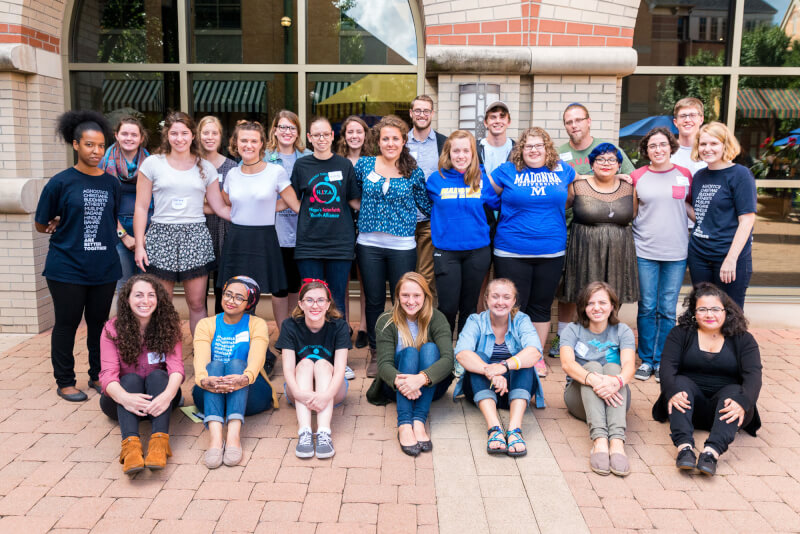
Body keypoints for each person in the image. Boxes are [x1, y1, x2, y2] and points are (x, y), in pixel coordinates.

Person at [35, 110, 121, 402]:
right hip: (67, 268)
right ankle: (65, 381)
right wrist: (60, 224)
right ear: (75, 145)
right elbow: (41, 222)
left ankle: (98, 376)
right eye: (89, 145)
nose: (96, 151)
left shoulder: (112, 183)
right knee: (67, 324)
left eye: (100, 146)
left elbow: (112, 220)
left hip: (104, 267)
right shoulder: (60, 182)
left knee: (99, 325)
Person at [487, 127, 576, 377]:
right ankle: (513, 356)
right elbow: (485, 194)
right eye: (529, 146)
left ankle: (535, 356)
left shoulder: (563, 170)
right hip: (511, 250)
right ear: (521, 150)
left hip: (551, 250)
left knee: (541, 306)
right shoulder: (508, 171)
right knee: (514, 305)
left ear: (547, 149)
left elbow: (575, 193)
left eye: (539, 146)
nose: (534, 150)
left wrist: (624, 178)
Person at [134, 112, 230, 336]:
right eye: (174, 133)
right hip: (161, 234)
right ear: (166, 135)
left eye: (184, 133)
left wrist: (254, 214)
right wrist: (140, 244)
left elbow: (220, 207)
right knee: (161, 303)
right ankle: (161, 353)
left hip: (195, 235)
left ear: (192, 135)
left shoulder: (205, 167)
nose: (179, 138)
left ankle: (200, 352)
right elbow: (140, 207)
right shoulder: (152, 164)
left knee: (197, 304)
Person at [551, 103, 636, 357]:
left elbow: (631, 178)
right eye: (569, 121)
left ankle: (605, 339)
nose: (574, 125)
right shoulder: (559, 154)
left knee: (608, 288)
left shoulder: (609, 149)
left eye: (578, 120)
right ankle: (563, 337)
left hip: (609, 233)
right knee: (571, 289)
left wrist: (621, 177)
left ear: (589, 121)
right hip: (570, 230)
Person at [652, 282, 762, 476]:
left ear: (726, 311)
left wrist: (743, 403)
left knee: (736, 392)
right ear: (693, 312)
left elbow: (753, 376)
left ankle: (711, 453)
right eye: (702, 309)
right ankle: (684, 448)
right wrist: (671, 391)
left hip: (725, 410)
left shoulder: (743, 339)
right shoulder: (680, 334)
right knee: (679, 384)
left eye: (715, 309)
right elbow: (668, 368)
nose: (709, 314)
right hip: (688, 406)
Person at [355, 115, 432, 377]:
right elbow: (352, 195)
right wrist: (366, 213)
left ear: (403, 141)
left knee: (403, 299)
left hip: (402, 246)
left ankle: (404, 347)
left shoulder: (413, 171)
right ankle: (378, 353)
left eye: (395, 139)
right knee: (375, 300)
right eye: (385, 138)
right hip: (369, 244)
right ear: (378, 140)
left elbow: (427, 205)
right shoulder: (364, 165)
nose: (390, 143)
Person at [99, 274, 184, 474]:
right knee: (129, 379)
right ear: (127, 299)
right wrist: (125, 398)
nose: (145, 301)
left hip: (160, 401)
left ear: (158, 299)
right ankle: (130, 449)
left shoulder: (169, 326)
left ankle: (159, 445)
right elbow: (107, 375)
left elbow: (176, 367)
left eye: (151, 295)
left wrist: (167, 396)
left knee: (158, 376)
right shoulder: (112, 329)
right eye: (138, 295)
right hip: (121, 402)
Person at [193, 276, 279, 468]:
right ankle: (215, 439)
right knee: (213, 367)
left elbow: (257, 359)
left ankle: (233, 436)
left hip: (250, 393)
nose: (231, 300)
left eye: (239, 297)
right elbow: (200, 360)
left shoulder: (257, 324)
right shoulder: (206, 325)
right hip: (210, 391)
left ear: (250, 302)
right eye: (228, 294)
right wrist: (204, 379)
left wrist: (244, 378)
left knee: (237, 364)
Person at [366, 273, 454, 456]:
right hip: (396, 387)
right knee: (410, 352)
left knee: (430, 349)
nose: (411, 301)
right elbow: (384, 365)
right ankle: (405, 424)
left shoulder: (437, 318)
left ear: (425, 296)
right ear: (397, 296)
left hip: (431, 388)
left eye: (417, 295)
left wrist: (422, 379)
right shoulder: (386, 320)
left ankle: (419, 421)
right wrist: (406, 383)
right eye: (405, 295)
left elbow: (448, 360)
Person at [455, 278, 545, 457]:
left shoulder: (522, 320)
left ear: (513, 301)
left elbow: (535, 352)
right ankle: (494, 429)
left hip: (516, 388)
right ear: (486, 299)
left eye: (506, 297)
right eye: (495, 296)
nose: (500, 302)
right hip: (481, 388)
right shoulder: (476, 320)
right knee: (478, 357)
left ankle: (514, 430)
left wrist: (504, 366)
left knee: (523, 360)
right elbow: (461, 353)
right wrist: (491, 372)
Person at [631, 128, 692, 382]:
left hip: (676, 251)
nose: (658, 149)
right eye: (652, 145)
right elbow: (632, 212)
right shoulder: (637, 176)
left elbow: (689, 206)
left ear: (671, 146)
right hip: (644, 249)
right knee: (647, 307)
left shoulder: (685, 175)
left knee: (667, 309)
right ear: (646, 150)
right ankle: (646, 360)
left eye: (662, 144)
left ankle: (663, 359)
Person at [217, 120, 299, 310]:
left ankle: (258, 334)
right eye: (244, 140)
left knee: (257, 291)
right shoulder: (232, 174)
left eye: (254, 141)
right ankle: (241, 335)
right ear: (236, 143)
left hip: (264, 237)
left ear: (262, 143)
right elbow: (229, 202)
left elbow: (293, 203)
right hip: (237, 238)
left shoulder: (275, 172)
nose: (248, 145)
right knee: (238, 292)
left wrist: (270, 207)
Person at [288, 116, 360, 324]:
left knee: (336, 297)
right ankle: (312, 344)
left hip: (340, 242)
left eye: (325, 134)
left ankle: (338, 346)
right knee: (311, 297)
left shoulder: (344, 165)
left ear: (332, 136)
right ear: (309, 138)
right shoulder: (301, 165)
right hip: (309, 243)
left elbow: (353, 200)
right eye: (316, 135)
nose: (321, 139)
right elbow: (290, 198)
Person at [559, 282, 635, 477]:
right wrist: (593, 379)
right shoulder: (572, 330)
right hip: (579, 398)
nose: (597, 308)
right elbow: (567, 364)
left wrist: (615, 382)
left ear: (612, 306)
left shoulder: (622, 331)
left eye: (602, 302)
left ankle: (617, 442)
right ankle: (600, 440)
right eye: (591, 303)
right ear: (584, 307)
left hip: (615, 393)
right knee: (591, 367)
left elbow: (628, 367)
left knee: (613, 368)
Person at [426, 130, 493, 335]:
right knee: (447, 307)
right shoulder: (435, 180)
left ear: (473, 153)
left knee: (469, 308)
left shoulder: (482, 178)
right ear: (448, 152)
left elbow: (498, 204)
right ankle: (444, 354)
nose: (461, 155)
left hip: (477, 252)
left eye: (466, 150)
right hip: (446, 253)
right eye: (456, 150)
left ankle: (464, 355)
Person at [558, 143, 639, 307]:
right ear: (592, 164)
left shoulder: (630, 188)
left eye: (612, 160)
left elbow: (634, 214)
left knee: (615, 296)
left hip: (619, 252)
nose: (606, 163)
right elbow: (560, 208)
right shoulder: (577, 187)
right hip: (584, 251)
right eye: (600, 159)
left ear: (618, 165)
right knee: (584, 296)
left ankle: (611, 331)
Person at [687, 122, 757, 310]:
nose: (707, 149)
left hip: (728, 255)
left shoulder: (740, 174)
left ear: (725, 145)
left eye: (714, 144)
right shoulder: (700, 176)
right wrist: (679, 202)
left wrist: (731, 258)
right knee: (702, 310)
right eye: (703, 144)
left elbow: (747, 220)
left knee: (730, 313)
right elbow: (703, 217)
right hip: (699, 255)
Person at [278, 279, 350, 459]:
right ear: (301, 304)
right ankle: (305, 433)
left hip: (332, 391)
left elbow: (340, 369)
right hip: (298, 391)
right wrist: (298, 393)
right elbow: (288, 369)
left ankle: (324, 432)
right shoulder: (289, 325)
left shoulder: (339, 326)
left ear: (328, 304)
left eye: (320, 300)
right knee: (305, 363)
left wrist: (326, 395)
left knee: (323, 364)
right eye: (309, 300)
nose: (315, 305)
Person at [265, 111, 311, 332]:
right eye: (282, 127)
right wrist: (289, 203)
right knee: (279, 287)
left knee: (295, 284)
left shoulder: (308, 156)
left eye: (291, 128)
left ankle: (292, 329)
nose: (287, 132)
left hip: (303, 230)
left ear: (298, 132)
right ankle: (283, 331)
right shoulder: (263, 157)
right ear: (274, 130)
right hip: (274, 230)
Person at [99, 116, 151, 291]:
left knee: (148, 282)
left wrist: (146, 236)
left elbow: (161, 199)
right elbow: (104, 205)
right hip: (117, 227)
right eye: (125, 134)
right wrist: (124, 235)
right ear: (116, 135)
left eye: (134, 135)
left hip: (149, 226)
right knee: (125, 284)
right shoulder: (104, 163)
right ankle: (126, 319)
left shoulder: (152, 163)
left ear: (141, 138)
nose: (129, 138)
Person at [335, 115, 373, 349]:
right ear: (344, 135)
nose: (354, 136)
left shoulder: (374, 161)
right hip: (341, 223)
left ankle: (364, 327)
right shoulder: (337, 161)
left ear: (365, 135)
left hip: (368, 223)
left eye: (358, 132)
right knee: (343, 280)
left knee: (367, 278)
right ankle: (345, 324)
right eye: (350, 132)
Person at [407, 94, 448, 296]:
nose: (422, 114)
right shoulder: (399, 142)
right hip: (402, 219)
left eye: (426, 111)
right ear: (411, 113)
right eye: (418, 110)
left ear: (432, 114)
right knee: (404, 275)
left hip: (431, 219)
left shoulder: (443, 143)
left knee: (426, 277)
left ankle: (425, 323)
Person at [198, 115, 238, 315]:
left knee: (222, 286)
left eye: (214, 133)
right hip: (197, 230)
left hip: (224, 230)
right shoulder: (192, 165)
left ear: (221, 136)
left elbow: (233, 202)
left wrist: (204, 203)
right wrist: (217, 203)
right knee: (198, 290)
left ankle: (220, 332)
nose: (210, 137)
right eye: (206, 132)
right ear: (199, 135)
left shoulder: (232, 167)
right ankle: (203, 332)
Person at [671, 97, 707, 176]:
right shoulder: (666, 152)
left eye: (692, 115)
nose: (687, 120)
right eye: (683, 116)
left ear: (701, 119)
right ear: (675, 122)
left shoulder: (711, 151)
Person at [477, 101, 515, 173]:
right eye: (493, 117)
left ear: (509, 122)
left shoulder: (517, 149)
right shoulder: (475, 148)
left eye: (502, 117)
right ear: (486, 123)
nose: (497, 121)